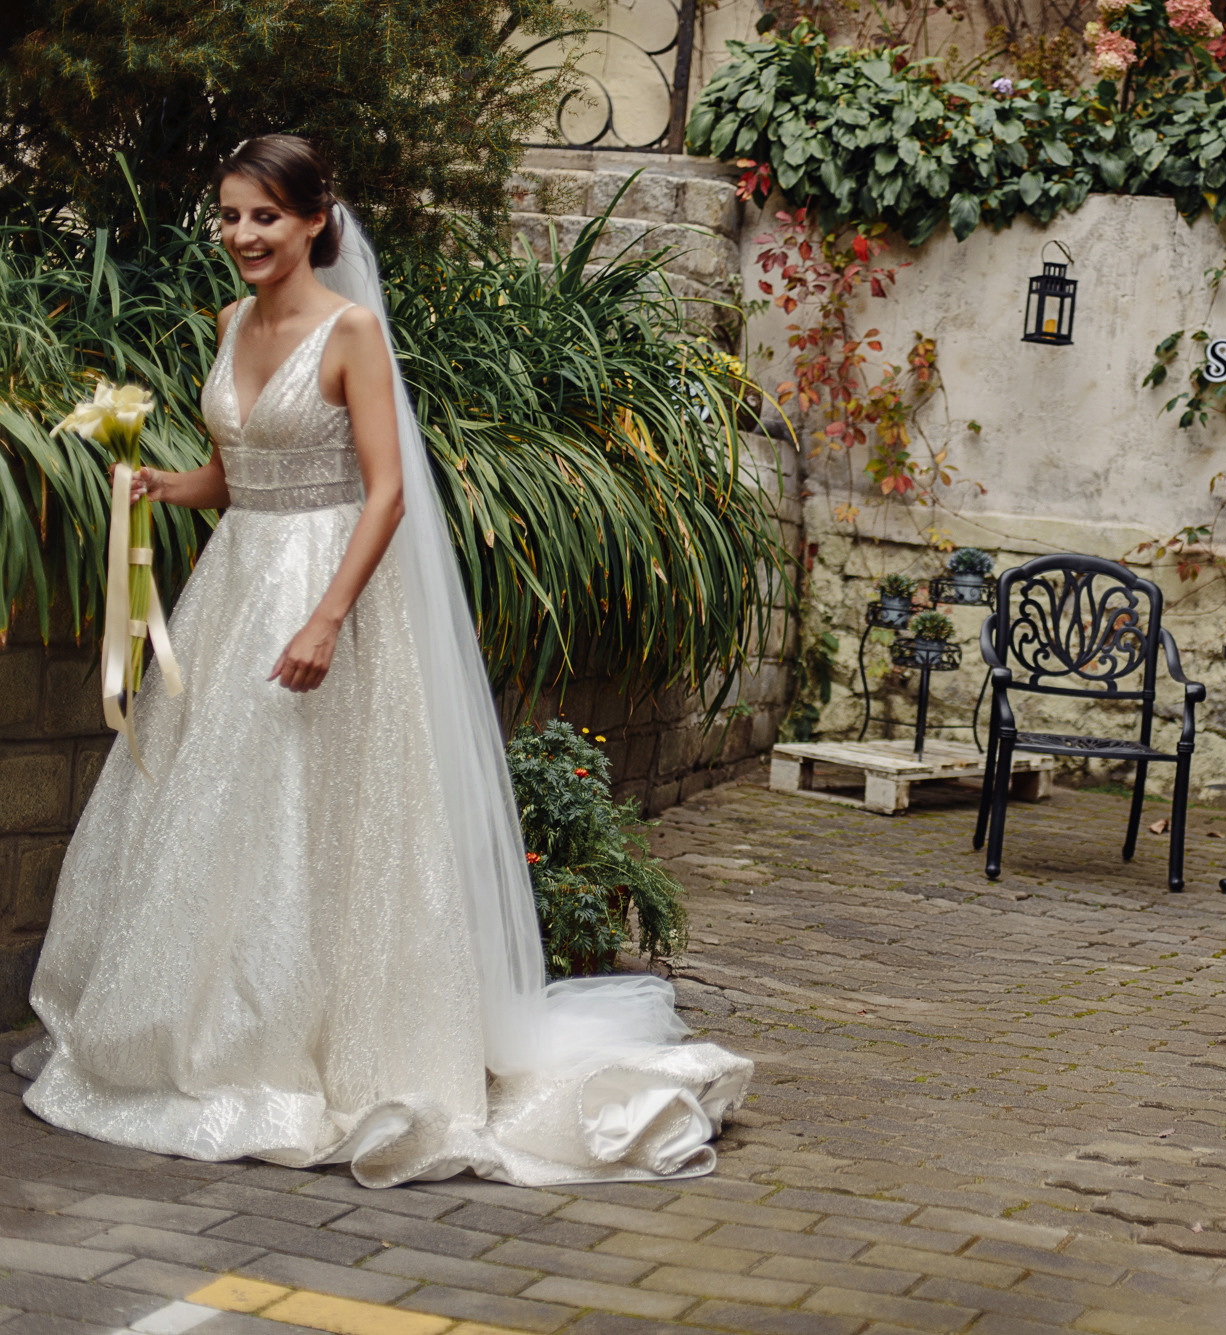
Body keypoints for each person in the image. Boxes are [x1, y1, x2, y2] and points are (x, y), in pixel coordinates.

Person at [10, 136, 751, 1186]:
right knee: (213, 806)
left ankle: (313, 1045)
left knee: (310, 812)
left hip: (328, 590)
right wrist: (158, 485)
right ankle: (199, 1030)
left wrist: (325, 618)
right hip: (234, 587)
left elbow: (389, 490)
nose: (242, 235)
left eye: (265, 216)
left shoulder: (350, 332)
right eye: (229, 215)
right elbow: (232, 475)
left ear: (316, 220)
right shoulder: (227, 325)